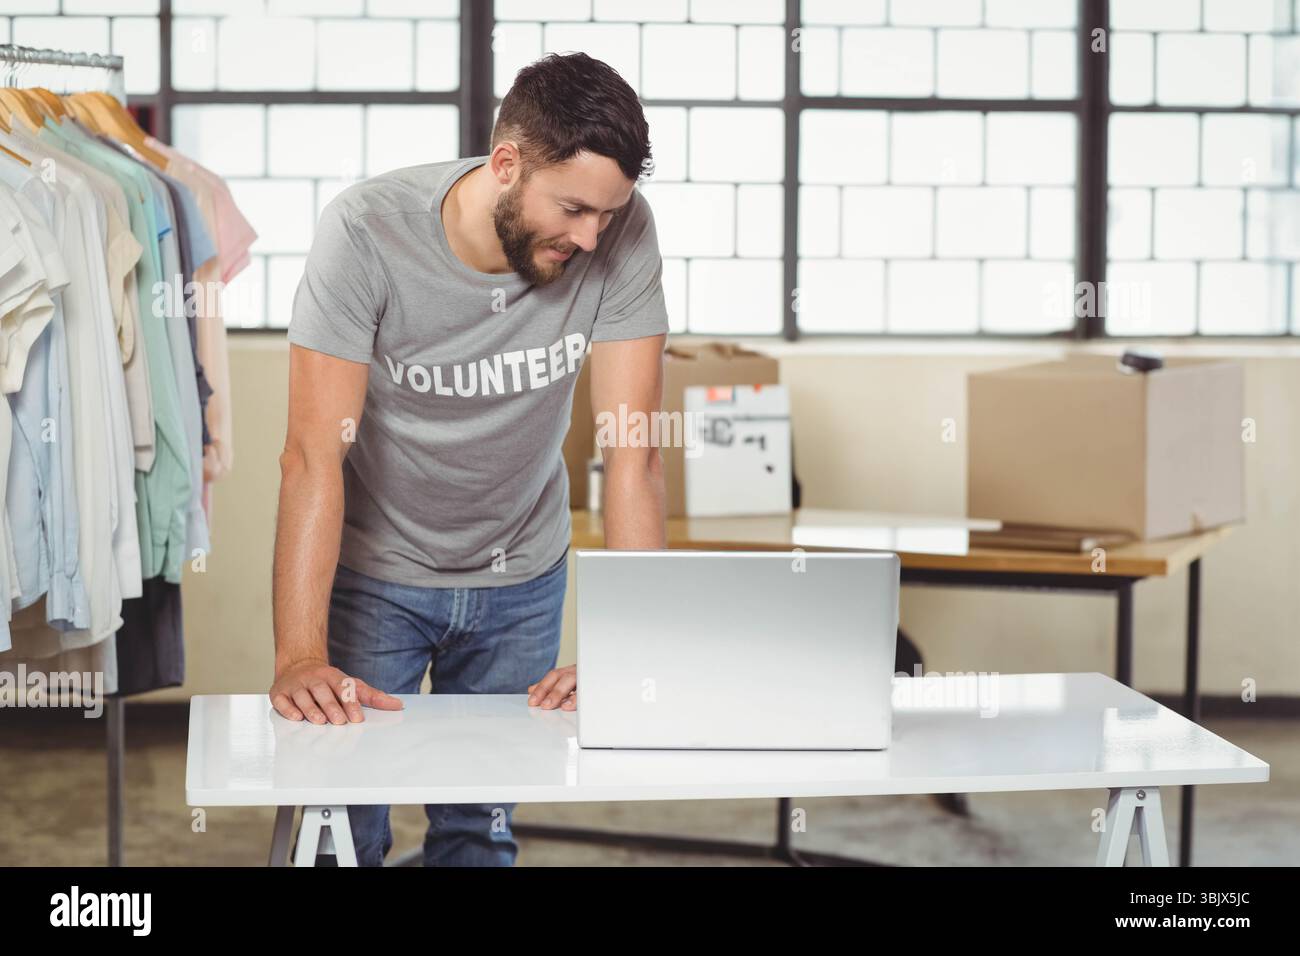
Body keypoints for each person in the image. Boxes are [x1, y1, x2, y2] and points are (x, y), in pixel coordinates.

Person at [269, 52, 668, 866]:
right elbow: (314, 456)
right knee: (340, 837)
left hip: (522, 577)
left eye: (608, 213)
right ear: (506, 165)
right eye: (574, 209)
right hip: (377, 575)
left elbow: (634, 456)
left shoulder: (620, 228)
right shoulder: (366, 232)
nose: (592, 236)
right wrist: (300, 655)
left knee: (476, 838)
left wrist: (634, 652)